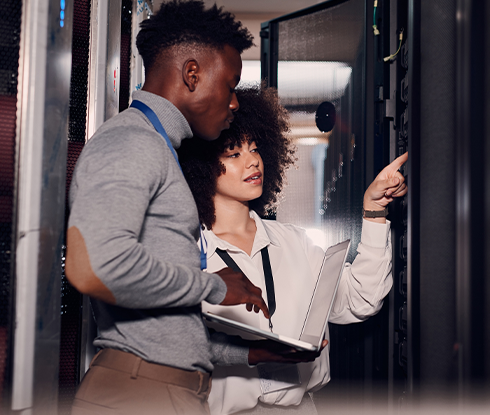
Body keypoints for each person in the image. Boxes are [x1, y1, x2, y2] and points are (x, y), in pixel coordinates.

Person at [65, 2, 270, 414]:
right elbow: (94, 267)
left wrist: (254, 356)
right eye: (230, 86)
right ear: (192, 74)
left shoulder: (159, 148)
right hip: (139, 391)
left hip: (161, 388)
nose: (234, 104)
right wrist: (214, 286)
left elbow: (166, 330)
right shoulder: (132, 141)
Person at [177, 84, 408, 415]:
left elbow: (360, 299)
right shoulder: (187, 253)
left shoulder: (294, 243)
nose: (253, 161)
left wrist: (374, 211)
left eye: (255, 149)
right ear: (200, 167)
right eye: (234, 153)